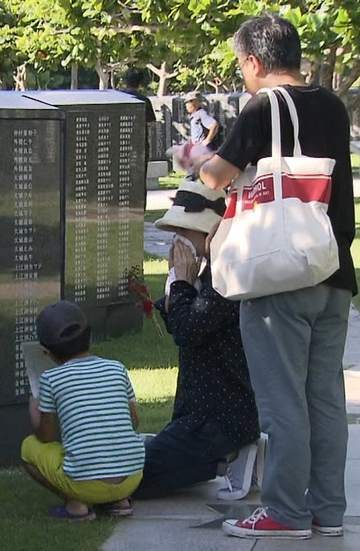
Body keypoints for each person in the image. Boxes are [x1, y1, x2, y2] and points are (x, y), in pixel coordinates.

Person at [199, 14, 357, 540]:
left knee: (282, 402)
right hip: (332, 267)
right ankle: (327, 510)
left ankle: (285, 512)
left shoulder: (263, 105)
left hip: (277, 272)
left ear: (253, 61)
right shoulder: (331, 103)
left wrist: (198, 156)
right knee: (325, 399)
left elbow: (214, 175)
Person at [132, 179, 261, 500]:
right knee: (137, 467)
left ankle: (227, 453)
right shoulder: (209, 274)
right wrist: (176, 285)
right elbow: (182, 327)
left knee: (122, 476)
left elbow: (188, 330)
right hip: (200, 415)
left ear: (209, 235)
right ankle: (219, 461)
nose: (177, 243)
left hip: (216, 419)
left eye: (184, 234)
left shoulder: (225, 277)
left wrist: (181, 286)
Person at [21, 301, 145, 521]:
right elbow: (134, 422)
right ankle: (120, 501)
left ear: (45, 352)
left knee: (29, 448)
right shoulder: (117, 368)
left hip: (86, 485)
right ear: (90, 338)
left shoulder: (51, 379)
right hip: (132, 478)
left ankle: (75, 505)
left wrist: (34, 409)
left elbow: (47, 437)